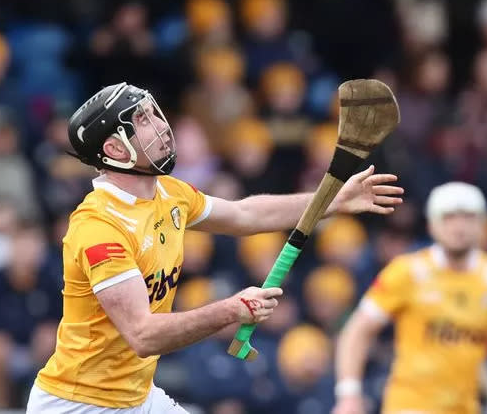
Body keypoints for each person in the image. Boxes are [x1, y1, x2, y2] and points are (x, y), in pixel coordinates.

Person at [27, 82, 403, 413]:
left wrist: (331, 200)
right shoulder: (99, 229)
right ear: (115, 149)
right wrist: (229, 310)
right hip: (79, 404)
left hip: (136, 397)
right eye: (142, 122)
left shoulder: (168, 192)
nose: (160, 126)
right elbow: (143, 335)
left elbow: (245, 215)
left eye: (153, 114)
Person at [332, 181, 487, 414]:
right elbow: (358, 330)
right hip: (410, 405)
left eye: (468, 217)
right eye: (448, 217)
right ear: (432, 225)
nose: (459, 226)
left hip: (466, 407)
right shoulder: (406, 271)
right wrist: (349, 393)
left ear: (482, 224)